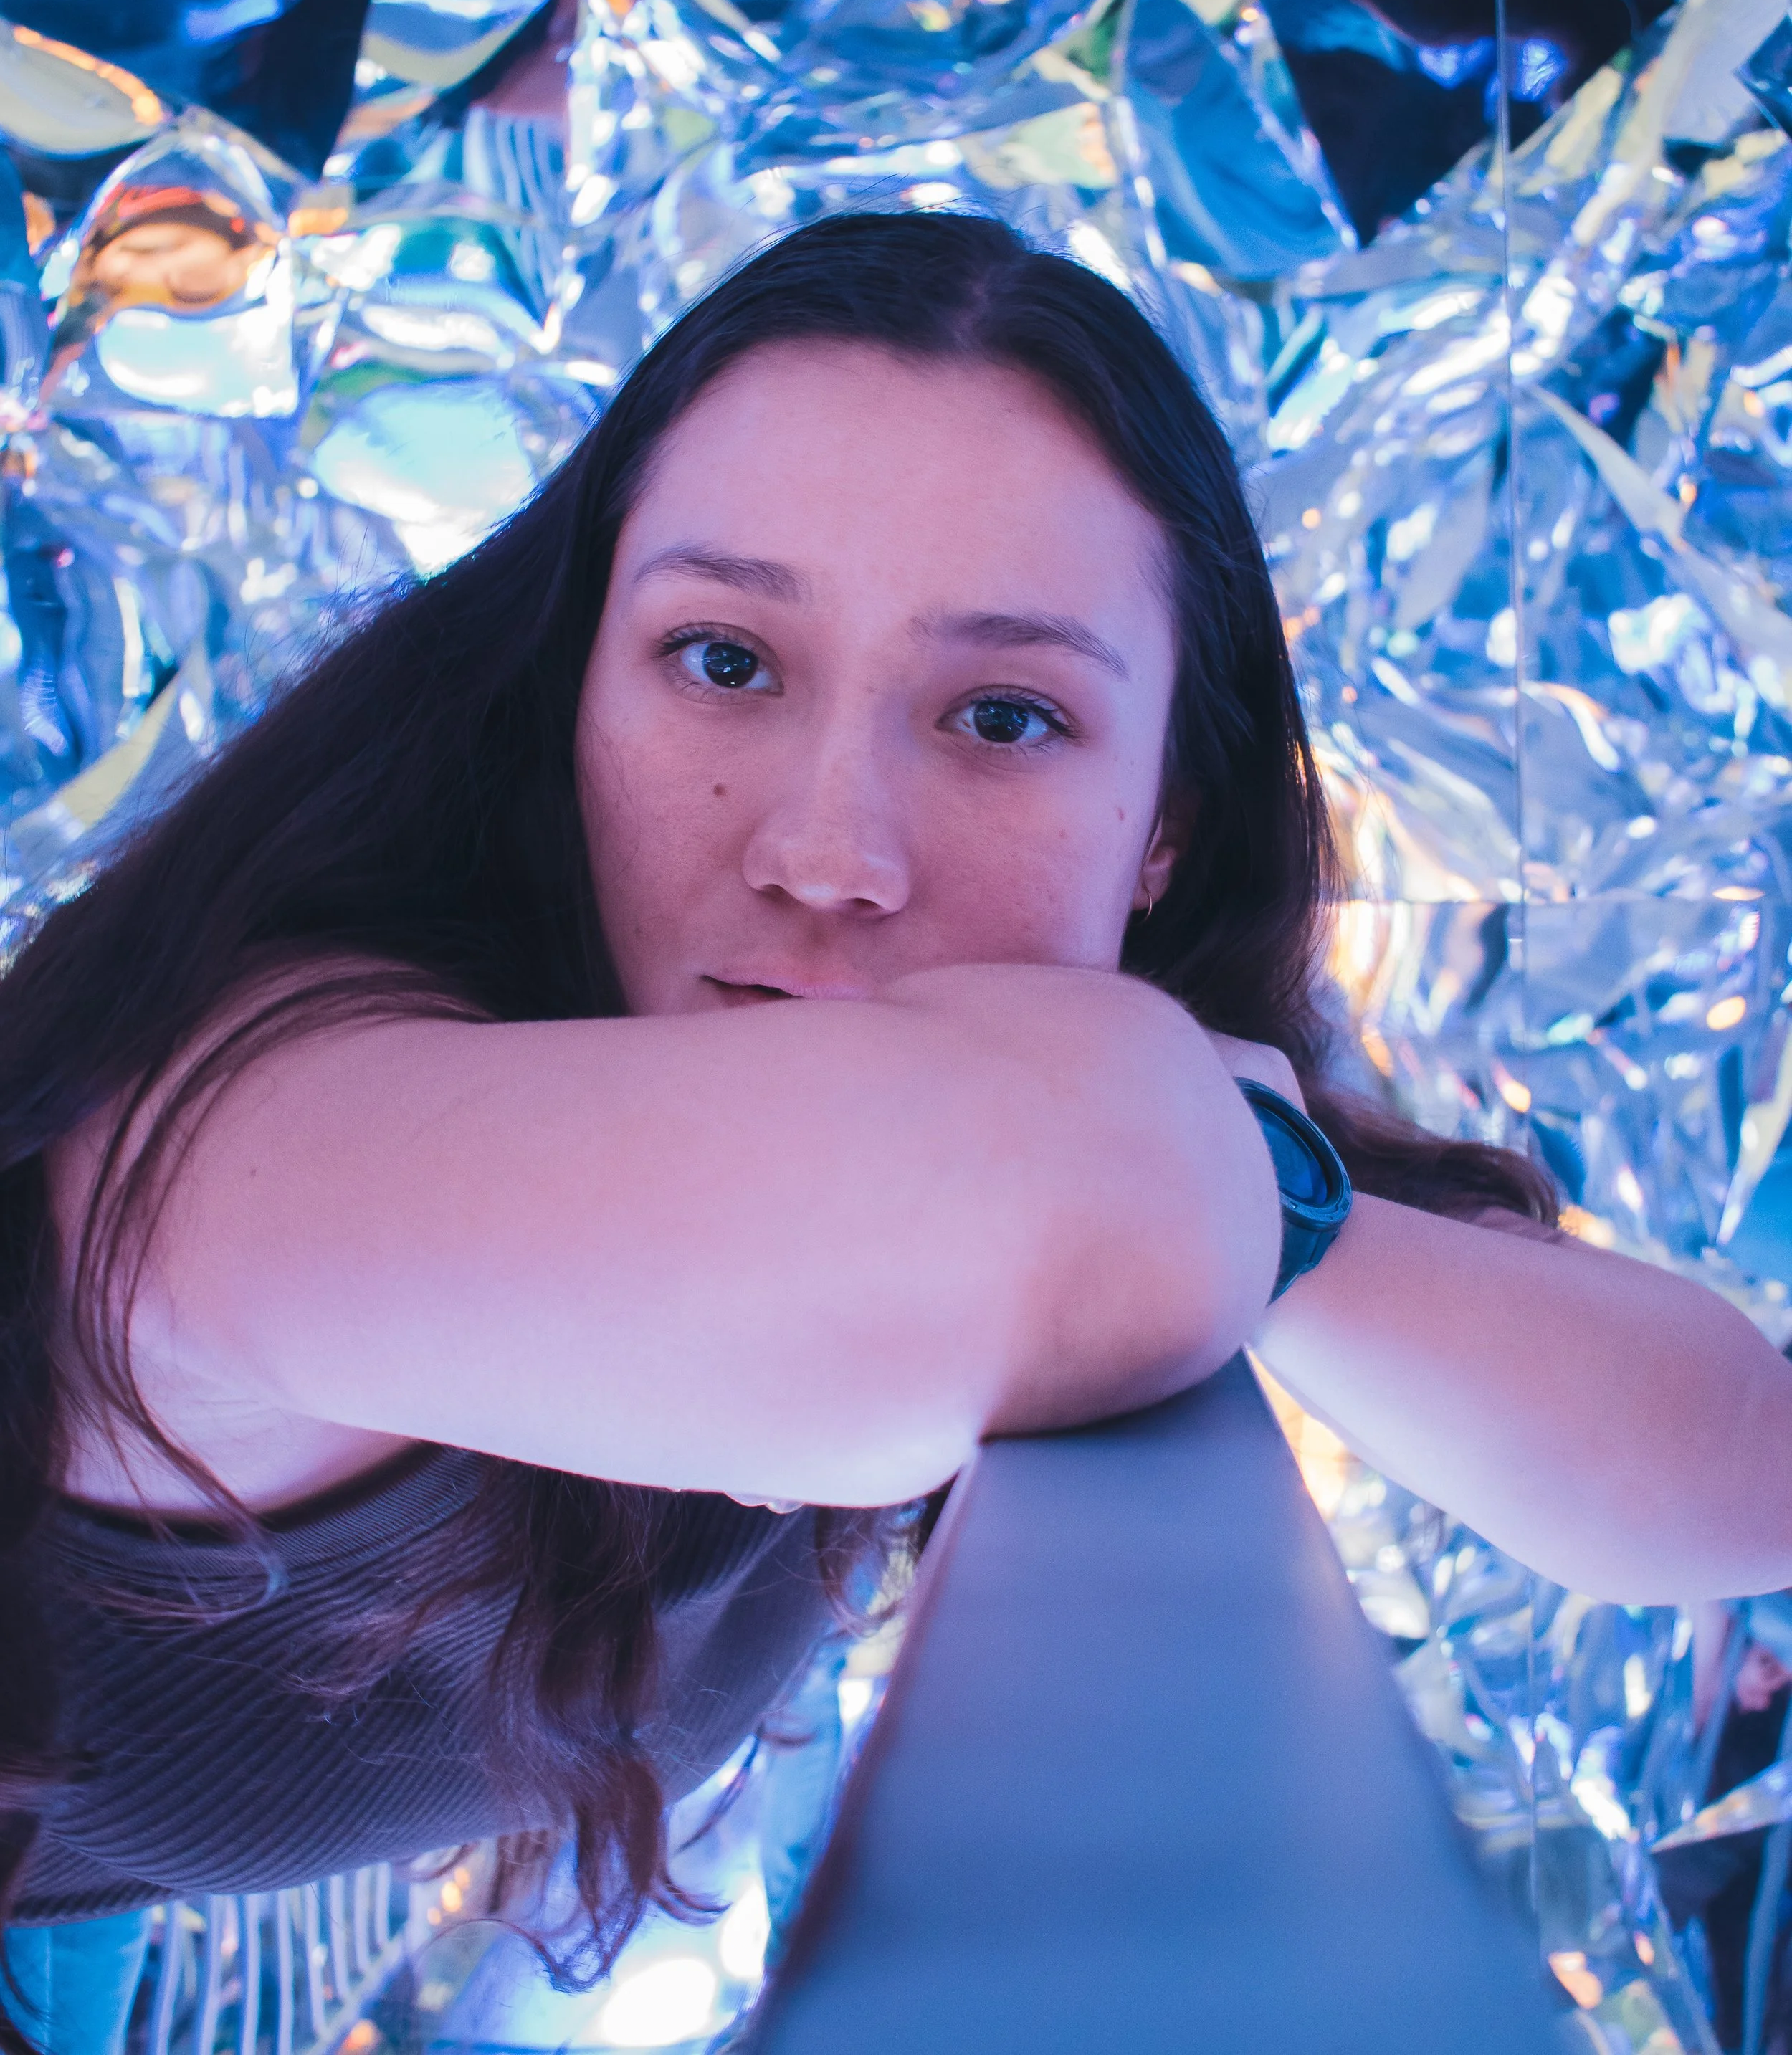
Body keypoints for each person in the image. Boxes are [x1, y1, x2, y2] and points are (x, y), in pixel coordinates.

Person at [1, 211, 1788, 2046]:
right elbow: (1067, 1187)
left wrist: (1273, 1182)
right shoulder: (239, 1129)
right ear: (568, 688)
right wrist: (1196, 1142)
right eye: (720, 661)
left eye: (1002, 715)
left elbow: (1741, 1463)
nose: (830, 850)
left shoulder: (1101, 1112)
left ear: (1166, 819)